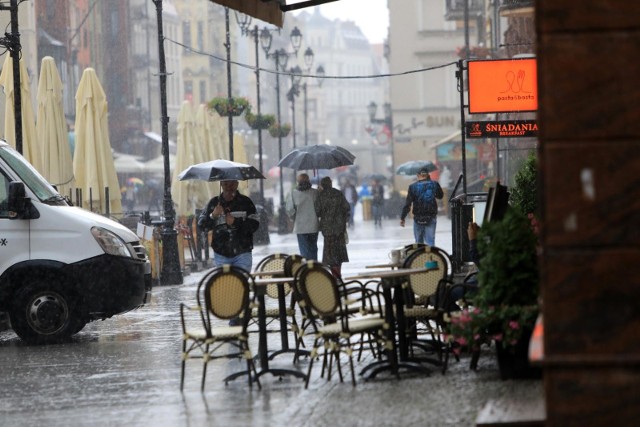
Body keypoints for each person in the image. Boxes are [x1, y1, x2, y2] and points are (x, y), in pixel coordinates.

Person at [198, 180, 260, 273]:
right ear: (221, 184)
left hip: (243, 252)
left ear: (237, 184)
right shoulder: (214, 202)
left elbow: (254, 225)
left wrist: (235, 222)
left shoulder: (246, 202)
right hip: (221, 253)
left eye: (232, 184)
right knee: (225, 285)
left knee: (241, 284)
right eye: (226, 184)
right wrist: (213, 215)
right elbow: (202, 226)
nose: (228, 187)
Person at [316, 176, 350, 279]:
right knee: (339, 252)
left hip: (327, 230)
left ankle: (333, 275)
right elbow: (347, 207)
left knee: (330, 253)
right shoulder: (338, 193)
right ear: (330, 183)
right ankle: (338, 273)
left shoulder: (320, 196)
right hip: (339, 228)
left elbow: (317, 212)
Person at [400, 167, 444, 246]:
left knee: (419, 244)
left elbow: (408, 204)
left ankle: (420, 257)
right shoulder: (434, 184)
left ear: (417, 175)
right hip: (431, 216)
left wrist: (402, 218)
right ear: (427, 175)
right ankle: (431, 257)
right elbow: (440, 196)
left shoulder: (412, 187)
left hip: (418, 218)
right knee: (430, 242)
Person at [286, 173, 319, 260]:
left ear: (298, 182)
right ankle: (314, 266)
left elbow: (289, 210)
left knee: (304, 250)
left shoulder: (293, 194)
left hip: (301, 226)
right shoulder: (315, 193)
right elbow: (320, 208)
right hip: (313, 225)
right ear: (308, 181)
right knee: (313, 248)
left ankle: (307, 268)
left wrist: (295, 218)